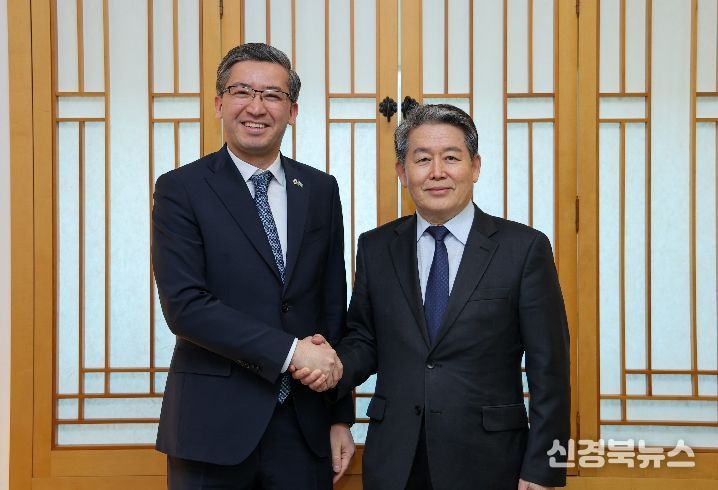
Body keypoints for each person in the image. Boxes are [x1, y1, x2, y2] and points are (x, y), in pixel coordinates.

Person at [294, 104, 570, 490]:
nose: (437, 171)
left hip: (490, 461)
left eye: (451, 158)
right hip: (396, 460)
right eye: (422, 159)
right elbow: (366, 339)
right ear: (402, 172)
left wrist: (545, 469)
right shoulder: (376, 247)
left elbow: (550, 370)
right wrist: (332, 366)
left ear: (475, 166)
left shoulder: (523, 249)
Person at [152, 43, 354, 489]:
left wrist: (340, 415)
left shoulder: (320, 189)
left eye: (272, 95)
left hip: (303, 425)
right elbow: (185, 306)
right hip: (211, 426)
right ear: (219, 103)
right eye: (242, 92)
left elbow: (331, 303)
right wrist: (291, 352)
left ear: (292, 111)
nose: (256, 107)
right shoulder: (181, 189)